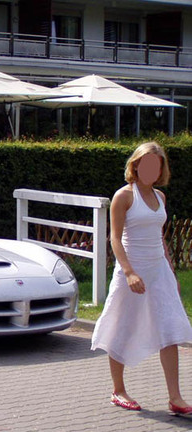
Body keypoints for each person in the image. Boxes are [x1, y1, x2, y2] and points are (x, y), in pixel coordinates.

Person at [91, 142, 192, 415]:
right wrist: (129, 272)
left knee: (169, 330)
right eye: (145, 164)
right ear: (135, 165)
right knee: (121, 326)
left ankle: (176, 398)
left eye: (156, 165)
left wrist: (170, 270)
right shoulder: (123, 196)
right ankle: (119, 390)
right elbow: (114, 238)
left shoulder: (160, 197)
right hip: (131, 272)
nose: (150, 170)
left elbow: (160, 237)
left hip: (158, 272)